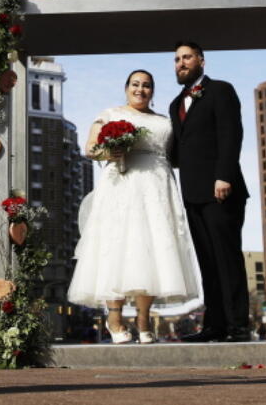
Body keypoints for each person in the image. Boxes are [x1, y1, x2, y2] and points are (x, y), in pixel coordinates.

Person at [68, 69, 202, 343]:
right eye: (135, 84)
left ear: (153, 90)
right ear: (126, 87)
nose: (141, 90)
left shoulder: (164, 121)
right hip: (122, 185)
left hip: (157, 186)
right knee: (115, 247)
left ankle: (143, 319)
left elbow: (177, 153)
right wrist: (110, 151)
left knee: (154, 249)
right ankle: (114, 318)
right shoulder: (109, 114)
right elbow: (90, 148)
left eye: (147, 86)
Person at [169, 41, 251, 342]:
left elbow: (232, 133)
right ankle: (214, 325)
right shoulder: (175, 103)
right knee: (207, 261)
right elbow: (179, 152)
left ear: (201, 61)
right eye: (177, 59)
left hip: (222, 190)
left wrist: (224, 176)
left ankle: (238, 326)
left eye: (187, 57)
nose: (181, 63)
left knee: (227, 258)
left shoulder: (221, 90)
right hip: (192, 195)